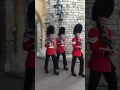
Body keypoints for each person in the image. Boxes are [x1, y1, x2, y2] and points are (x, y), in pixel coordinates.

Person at [87, 0, 118, 90]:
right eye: (104, 16)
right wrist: (106, 52)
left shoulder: (108, 31)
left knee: (113, 83)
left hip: (106, 61)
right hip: (97, 61)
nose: (106, 18)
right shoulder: (93, 31)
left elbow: (107, 44)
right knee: (92, 85)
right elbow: (93, 47)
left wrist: (111, 51)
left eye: (106, 16)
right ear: (99, 16)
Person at [23, 1, 35, 90]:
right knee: (28, 83)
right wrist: (32, 46)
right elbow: (24, 46)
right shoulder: (28, 32)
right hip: (31, 62)